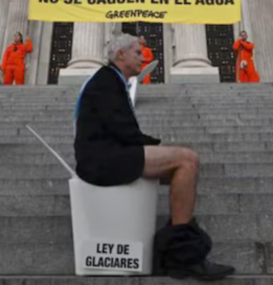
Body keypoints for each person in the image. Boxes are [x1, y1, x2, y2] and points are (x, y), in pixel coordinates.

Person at [74, 34, 235, 280]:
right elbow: (123, 130)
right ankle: (183, 256)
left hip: (106, 154)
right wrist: (160, 148)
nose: (143, 57)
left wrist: (158, 148)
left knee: (181, 164)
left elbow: (122, 129)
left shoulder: (110, 80)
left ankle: (177, 247)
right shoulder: (106, 81)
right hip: (102, 159)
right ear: (121, 55)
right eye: (138, 52)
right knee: (186, 160)